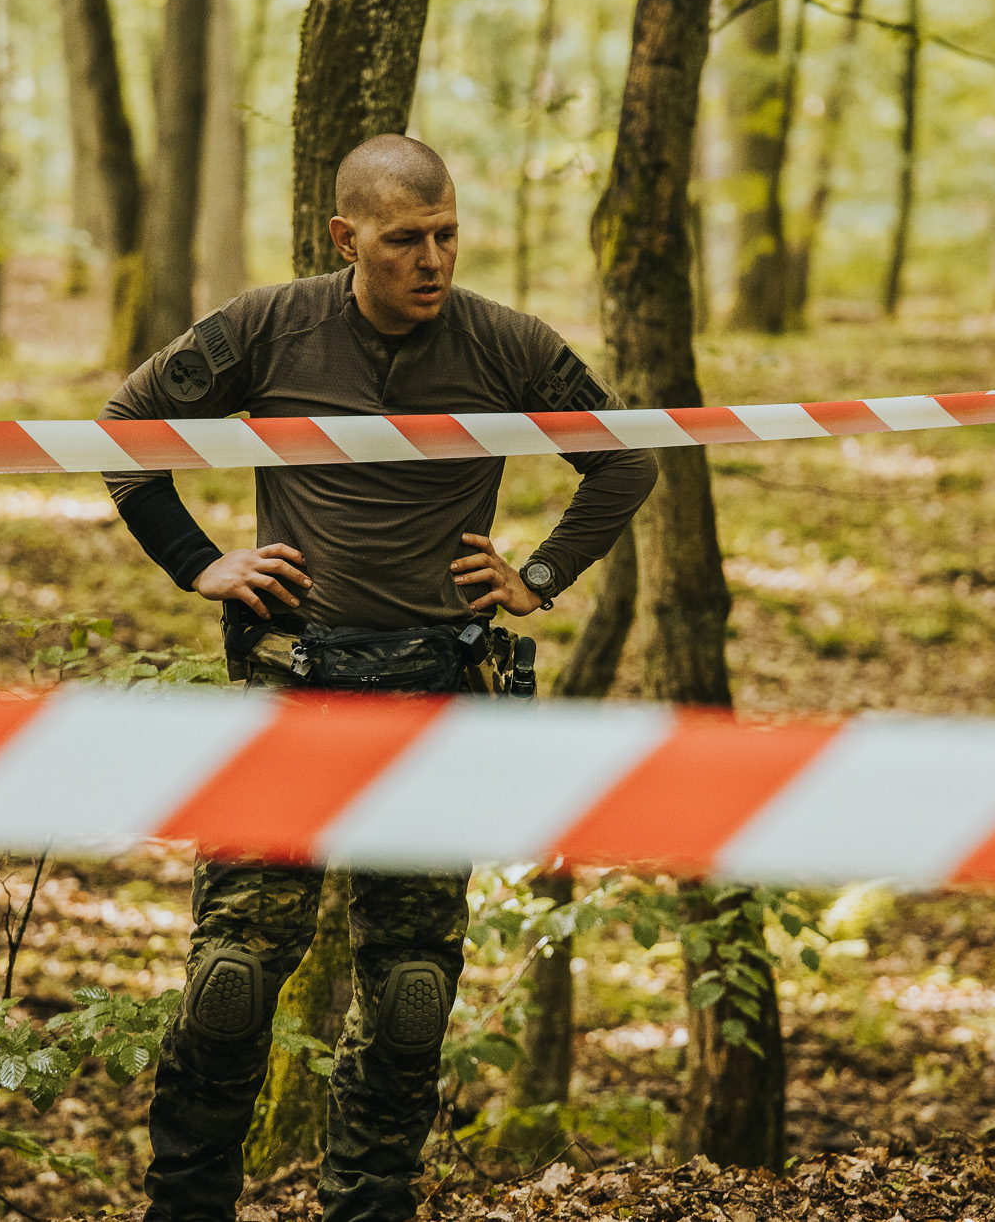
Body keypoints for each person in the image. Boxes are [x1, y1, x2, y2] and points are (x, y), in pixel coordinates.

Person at [100, 133, 658, 1222]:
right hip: (288, 690)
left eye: (447, 233)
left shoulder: (505, 343)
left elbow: (625, 457)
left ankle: (368, 1204)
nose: (433, 259)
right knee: (230, 985)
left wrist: (536, 574)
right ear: (345, 238)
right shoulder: (269, 326)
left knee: (408, 993)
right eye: (406, 240)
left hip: (434, 699)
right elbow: (125, 428)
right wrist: (198, 563)